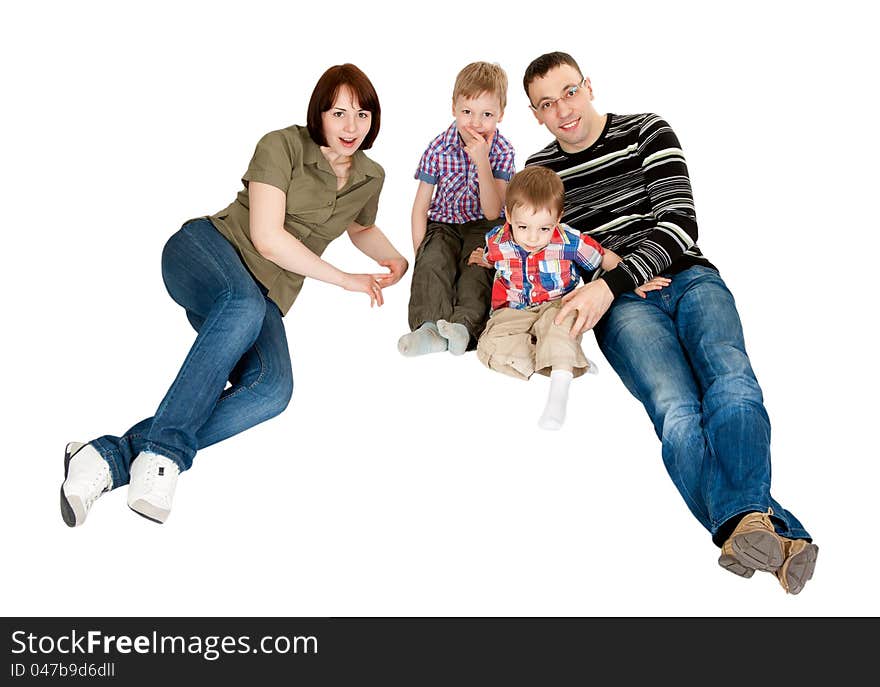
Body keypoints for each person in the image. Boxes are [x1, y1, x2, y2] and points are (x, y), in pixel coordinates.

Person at [60, 64, 408, 526]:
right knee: (242, 304)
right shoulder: (281, 145)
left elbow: (360, 226)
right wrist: (346, 279)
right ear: (318, 114)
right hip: (206, 253)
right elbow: (267, 238)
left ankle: (109, 458)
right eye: (338, 112)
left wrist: (395, 259)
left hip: (263, 295)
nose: (350, 126)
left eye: (362, 115)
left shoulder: (370, 176)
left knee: (271, 390)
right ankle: (163, 454)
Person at [522, 51, 818, 593]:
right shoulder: (541, 176)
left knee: (731, 384)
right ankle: (772, 532)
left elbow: (678, 223)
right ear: (536, 115)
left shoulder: (647, 131)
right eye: (545, 104)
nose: (562, 110)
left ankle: (753, 531)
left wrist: (615, 278)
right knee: (677, 412)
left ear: (588, 85)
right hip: (624, 310)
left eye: (568, 92)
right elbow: (542, 249)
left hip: (687, 279)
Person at [474, 166, 669, 430]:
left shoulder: (569, 240)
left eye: (544, 228)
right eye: (523, 227)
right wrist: (482, 259)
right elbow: (491, 257)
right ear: (508, 215)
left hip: (558, 303)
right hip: (513, 308)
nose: (533, 237)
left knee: (559, 328)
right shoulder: (497, 240)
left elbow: (603, 257)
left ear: (558, 218)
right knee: (488, 348)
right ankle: (567, 360)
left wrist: (634, 277)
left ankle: (558, 391)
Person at [397, 61, 515, 357]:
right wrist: (422, 254)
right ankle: (428, 330)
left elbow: (492, 212)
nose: (475, 123)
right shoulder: (438, 148)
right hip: (443, 223)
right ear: (454, 108)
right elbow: (420, 207)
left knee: (475, 269)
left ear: (500, 114)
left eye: (487, 114)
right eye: (467, 112)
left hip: (484, 225)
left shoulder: (503, 151)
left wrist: (482, 162)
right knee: (434, 262)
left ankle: (463, 327)